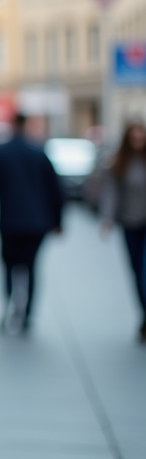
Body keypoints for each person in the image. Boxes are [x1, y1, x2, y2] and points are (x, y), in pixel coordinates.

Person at [0, 113, 64, 333]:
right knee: (32, 267)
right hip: (37, 223)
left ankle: (7, 308)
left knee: (8, 266)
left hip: (10, 221)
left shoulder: (0, 152)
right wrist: (58, 220)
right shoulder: (39, 152)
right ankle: (27, 315)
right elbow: (55, 189)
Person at [99, 121, 146, 342]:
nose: (138, 141)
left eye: (141, 137)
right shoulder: (119, 163)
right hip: (129, 223)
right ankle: (144, 315)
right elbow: (111, 192)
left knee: (145, 273)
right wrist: (107, 218)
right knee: (136, 271)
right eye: (134, 138)